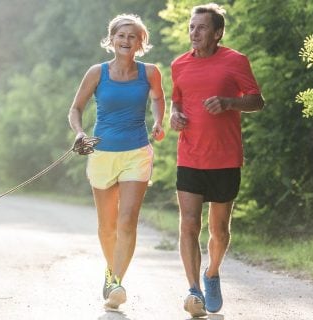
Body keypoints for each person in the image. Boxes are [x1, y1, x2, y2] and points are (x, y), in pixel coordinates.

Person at [169, 3, 265, 317]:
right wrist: (174, 115)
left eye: (201, 28)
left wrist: (227, 103)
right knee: (189, 225)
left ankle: (212, 273)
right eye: (191, 27)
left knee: (219, 231)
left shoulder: (236, 61)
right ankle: (194, 289)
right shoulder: (179, 64)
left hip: (225, 157)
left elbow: (256, 101)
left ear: (217, 32)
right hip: (190, 155)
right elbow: (177, 100)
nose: (194, 33)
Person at [67, 14, 165, 311]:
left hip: (137, 152)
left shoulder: (150, 72)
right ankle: (111, 274)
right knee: (107, 225)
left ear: (140, 42)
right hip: (102, 154)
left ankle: (116, 281)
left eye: (132, 36)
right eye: (121, 36)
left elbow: (159, 99)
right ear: (111, 40)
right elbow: (75, 108)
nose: (126, 41)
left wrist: (159, 121)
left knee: (127, 220)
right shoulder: (97, 73)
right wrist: (81, 133)